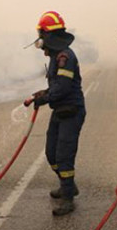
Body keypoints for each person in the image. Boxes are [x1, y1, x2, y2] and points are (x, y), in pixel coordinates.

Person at [31, 11, 86, 216]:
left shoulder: (65, 57)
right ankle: (67, 185)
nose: (40, 40)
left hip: (71, 112)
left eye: (42, 35)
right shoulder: (56, 56)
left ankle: (68, 198)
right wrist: (42, 94)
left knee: (64, 155)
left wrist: (43, 98)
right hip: (60, 110)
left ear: (49, 36)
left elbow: (62, 88)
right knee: (51, 152)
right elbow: (56, 87)